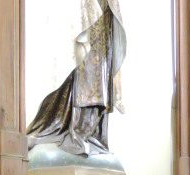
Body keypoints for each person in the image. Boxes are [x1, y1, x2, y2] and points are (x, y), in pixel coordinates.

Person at [26, 0, 126, 157]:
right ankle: (63, 127)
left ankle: (88, 132)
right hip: (83, 28)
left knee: (96, 80)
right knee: (76, 75)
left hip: (101, 35)